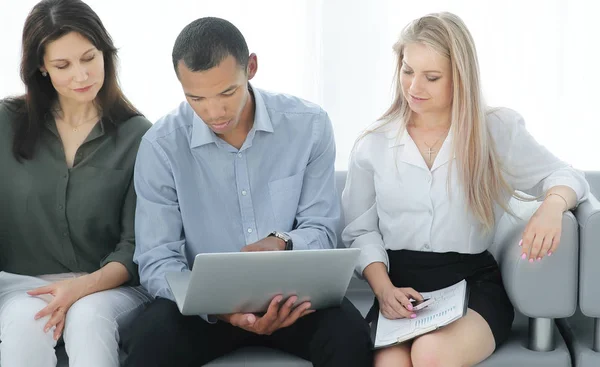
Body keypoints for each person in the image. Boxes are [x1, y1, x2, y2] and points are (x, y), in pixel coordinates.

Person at [341, 11, 590, 367]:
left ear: (460, 77)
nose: (413, 87)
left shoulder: (494, 129)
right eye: (407, 71)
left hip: (471, 284)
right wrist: (383, 290)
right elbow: (359, 230)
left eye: (431, 77)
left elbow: (565, 175)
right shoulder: (374, 143)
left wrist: (552, 207)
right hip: (399, 288)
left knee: (430, 355)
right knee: (390, 365)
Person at [123, 16, 372, 367]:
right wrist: (218, 307)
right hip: (205, 309)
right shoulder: (161, 146)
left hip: (294, 298)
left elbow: (322, 229)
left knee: (351, 338)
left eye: (227, 92)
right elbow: (157, 259)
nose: (214, 112)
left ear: (251, 67)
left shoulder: (309, 125)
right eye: (197, 98)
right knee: (150, 342)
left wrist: (283, 242)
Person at [0, 1, 152, 366]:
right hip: (24, 286)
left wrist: (78, 288)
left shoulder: (138, 135)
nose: (81, 76)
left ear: (106, 53)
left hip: (108, 286)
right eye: (62, 66)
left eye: (89, 58)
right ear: (40, 68)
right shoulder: (7, 123)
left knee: (87, 319)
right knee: (25, 322)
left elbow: (134, 247)